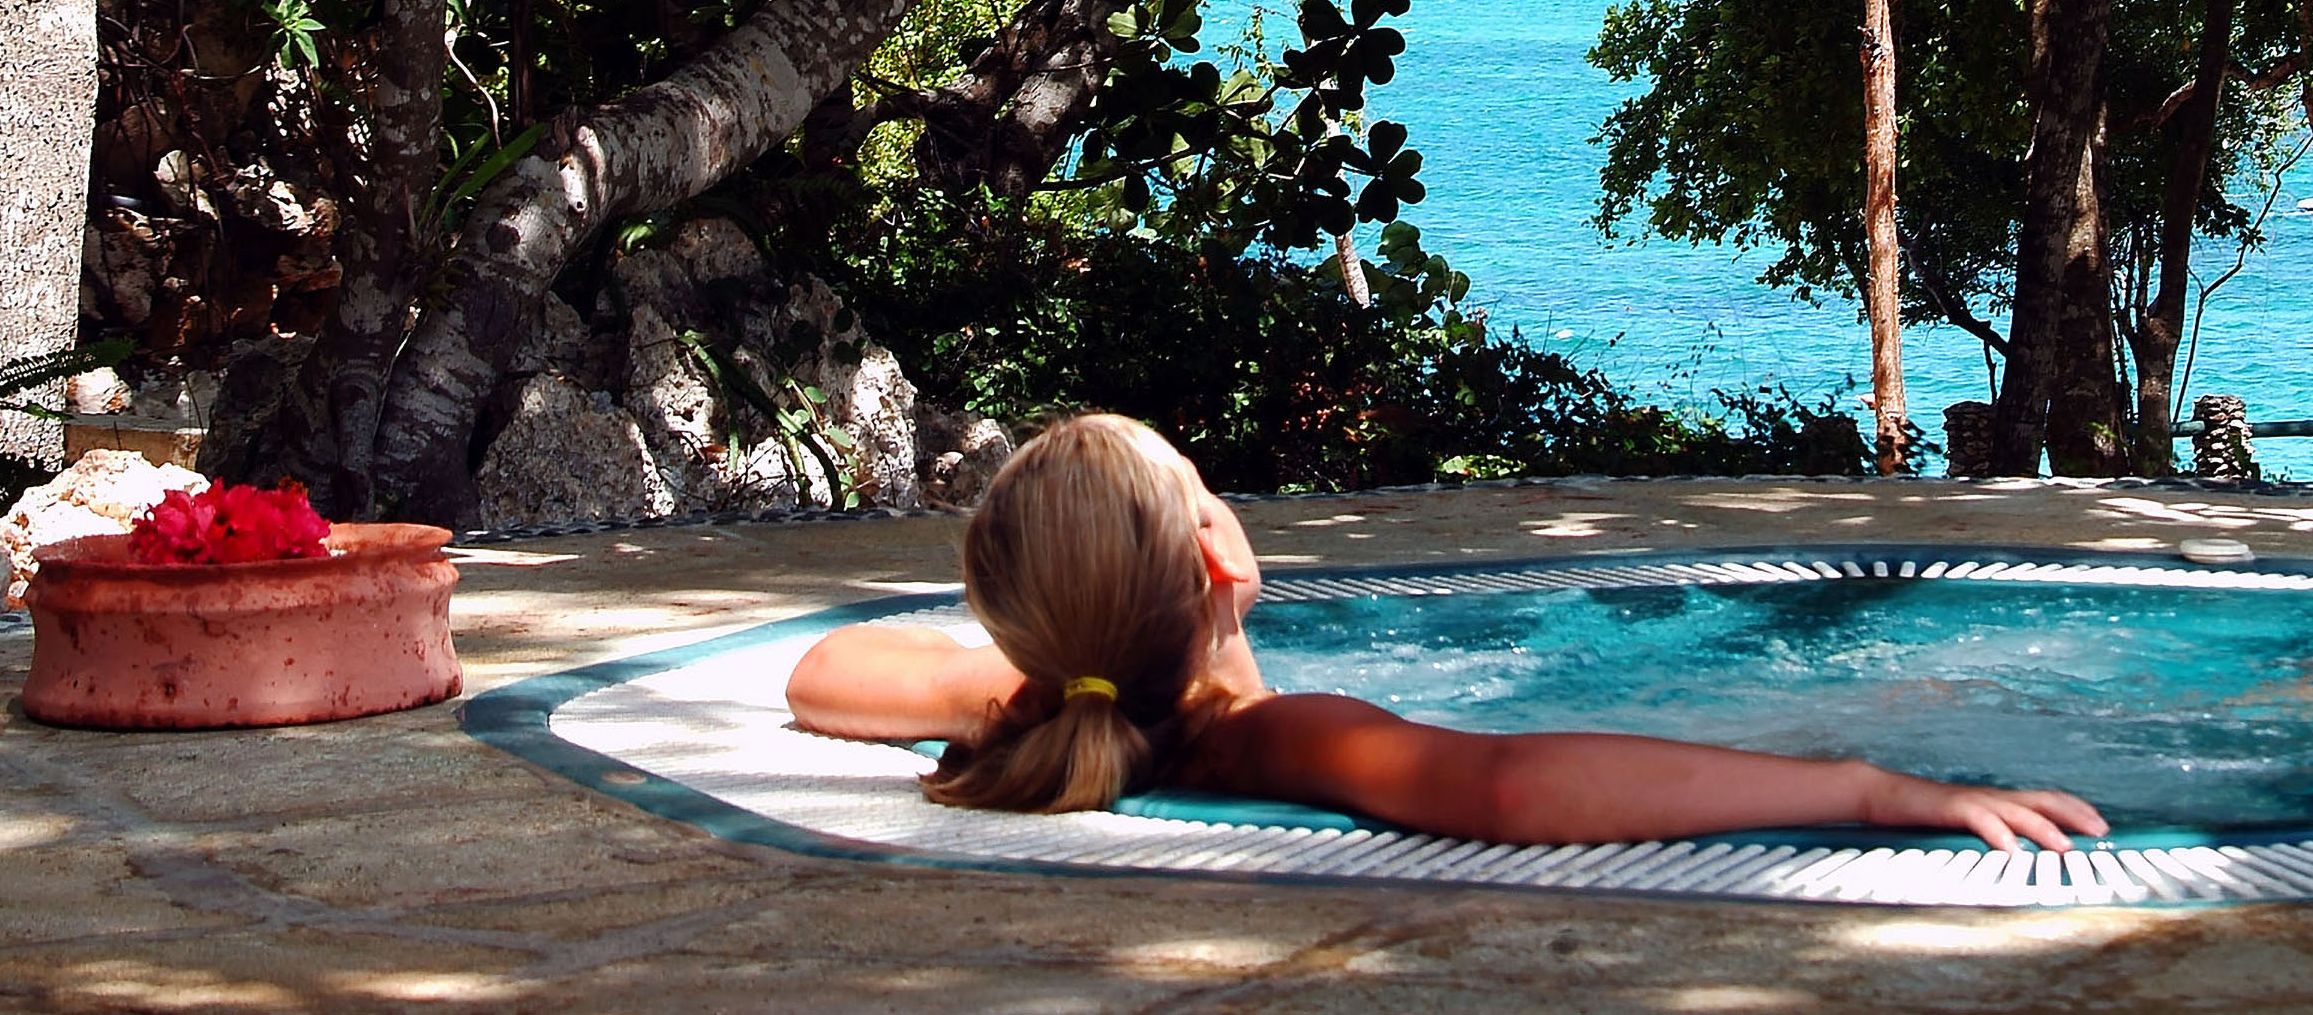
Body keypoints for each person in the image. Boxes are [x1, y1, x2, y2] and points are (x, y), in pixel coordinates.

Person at [786, 413, 2106, 852]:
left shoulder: (1032, 706)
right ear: (1218, 553)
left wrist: (1009, 690)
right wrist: (1873, 788)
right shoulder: (1259, 735)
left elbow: (824, 670)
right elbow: (1509, 780)